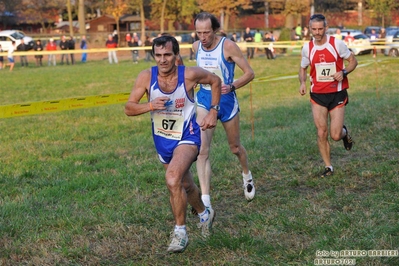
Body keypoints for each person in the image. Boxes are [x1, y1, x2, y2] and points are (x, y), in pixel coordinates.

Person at [124, 35, 221, 253]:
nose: (163, 60)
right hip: (162, 140)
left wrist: (213, 110)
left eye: (167, 54)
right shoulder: (146, 77)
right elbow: (129, 108)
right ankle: (205, 214)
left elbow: (215, 80)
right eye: (158, 55)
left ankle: (180, 232)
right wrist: (149, 105)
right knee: (184, 184)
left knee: (172, 178)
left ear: (176, 55)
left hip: (187, 136)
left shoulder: (189, 74)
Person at [193, 12, 256, 212]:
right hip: (204, 99)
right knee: (202, 150)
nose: (202, 37)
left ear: (216, 30)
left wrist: (233, 85)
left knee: (235, 147)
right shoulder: (195, 47)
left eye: (206, 32)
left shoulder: (228, 46)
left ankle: (246, 174)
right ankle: (205, 201)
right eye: (199, 33)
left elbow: (250, 73)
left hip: (227, 101)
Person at [298, 14, 358, 178]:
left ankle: (345, 133)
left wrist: (344, 72)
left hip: (337, 93)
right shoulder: (307, 48)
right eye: (314, 29)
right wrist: (302, 83)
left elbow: (353, 61)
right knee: (321, 132)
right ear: (310, 29)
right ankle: (328, 167)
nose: (317, 32)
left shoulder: (336, 44)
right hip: (317, 94)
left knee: (335, 135)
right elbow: (302, 68)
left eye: (320, 29)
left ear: (326, 28)